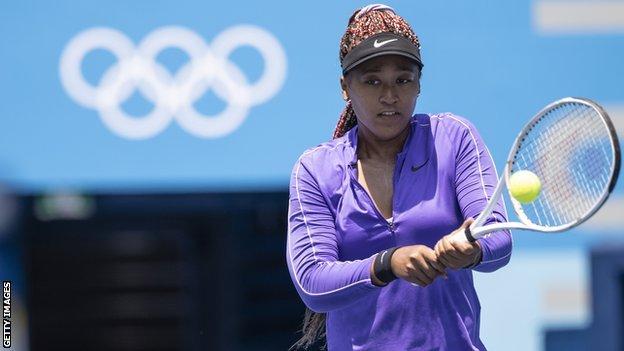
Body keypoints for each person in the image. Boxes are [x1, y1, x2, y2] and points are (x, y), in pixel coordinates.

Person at [286, 4, 512, 350]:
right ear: (345, 87)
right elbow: (312, 282)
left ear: (419, 84)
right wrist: (387, 264)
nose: (389, 96)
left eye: (403, 80)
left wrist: (472, 249)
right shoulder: (315, 169)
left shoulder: (455, 138)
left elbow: (499, 240)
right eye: (372, 80)